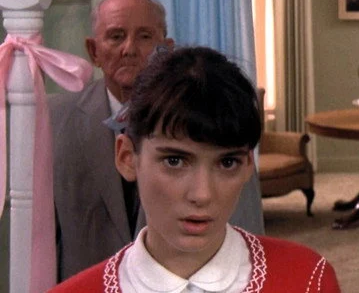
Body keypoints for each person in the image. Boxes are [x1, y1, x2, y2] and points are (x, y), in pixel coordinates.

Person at [50, 46, 340, 292]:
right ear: (127, 158)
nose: (202, 194)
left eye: (227, 163)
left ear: (248, 166)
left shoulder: (308, 279)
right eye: (175, 161)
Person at [50, 0, 265, 281]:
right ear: (93, 50)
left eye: (145, 37)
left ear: (166, 48)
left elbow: (246, 220)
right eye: (116, 36)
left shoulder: (215, 113)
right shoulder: (55, 118)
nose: (129, 49)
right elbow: (43, 229)